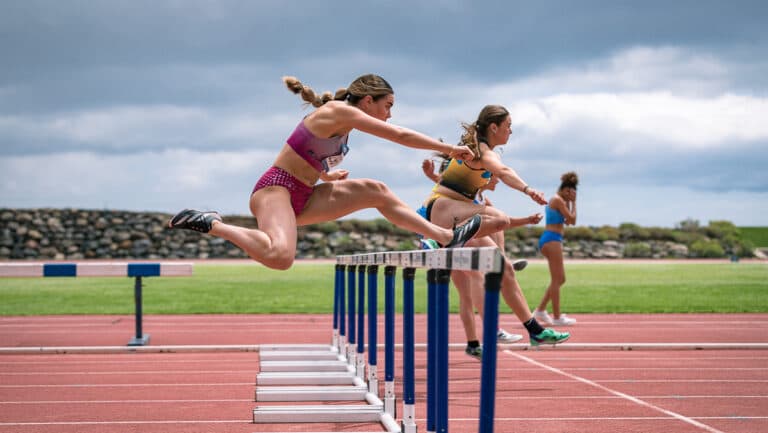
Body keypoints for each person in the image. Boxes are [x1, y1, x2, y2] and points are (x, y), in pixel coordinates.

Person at [168, 74, 484, 270]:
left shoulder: (343, 126)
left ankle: (443, 237)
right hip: (275, 189)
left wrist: (325, 176)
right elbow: (399, 135)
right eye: (387, 105)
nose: (390, 114)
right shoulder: (338, 111)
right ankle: (214, 223)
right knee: (280, 257)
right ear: (368, 100)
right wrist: (448, 150)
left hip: (303, 194)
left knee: (377, 190)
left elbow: (306, 155)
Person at [417, 104, 570, 349]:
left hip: (460, 216)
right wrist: (528, 190)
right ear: (493, 127)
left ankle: (535, 330)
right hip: (443, 209)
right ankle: (441, 239)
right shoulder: (480, 151)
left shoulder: (481, 151)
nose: (511, 131)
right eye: (508, 126)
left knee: (504, 268)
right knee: (500, 220)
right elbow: (504, 171)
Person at [422, 157, 525, 358]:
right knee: (476, 280)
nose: (492, 179)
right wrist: (432, 176)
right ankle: (492, 330)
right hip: (448, 241)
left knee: (466, 295)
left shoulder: (481, 200)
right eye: (490, 175)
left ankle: (472, 344)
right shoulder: (462, 195)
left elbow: (500, 226)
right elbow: (446, 187)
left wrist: (527, 221)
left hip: (452, 242)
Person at [534, 172, 579, 326]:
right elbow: (572, 219)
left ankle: (540, 310)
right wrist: (574, 203)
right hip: (551, 239)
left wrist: (570, 203)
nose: (571, 196)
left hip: (553, 239)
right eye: (571, 194)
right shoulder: (558, 200)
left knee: (560, 279)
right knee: (557, 279)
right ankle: (557, 317)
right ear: (566, 191)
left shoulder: (560, 201)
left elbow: (570, 222)